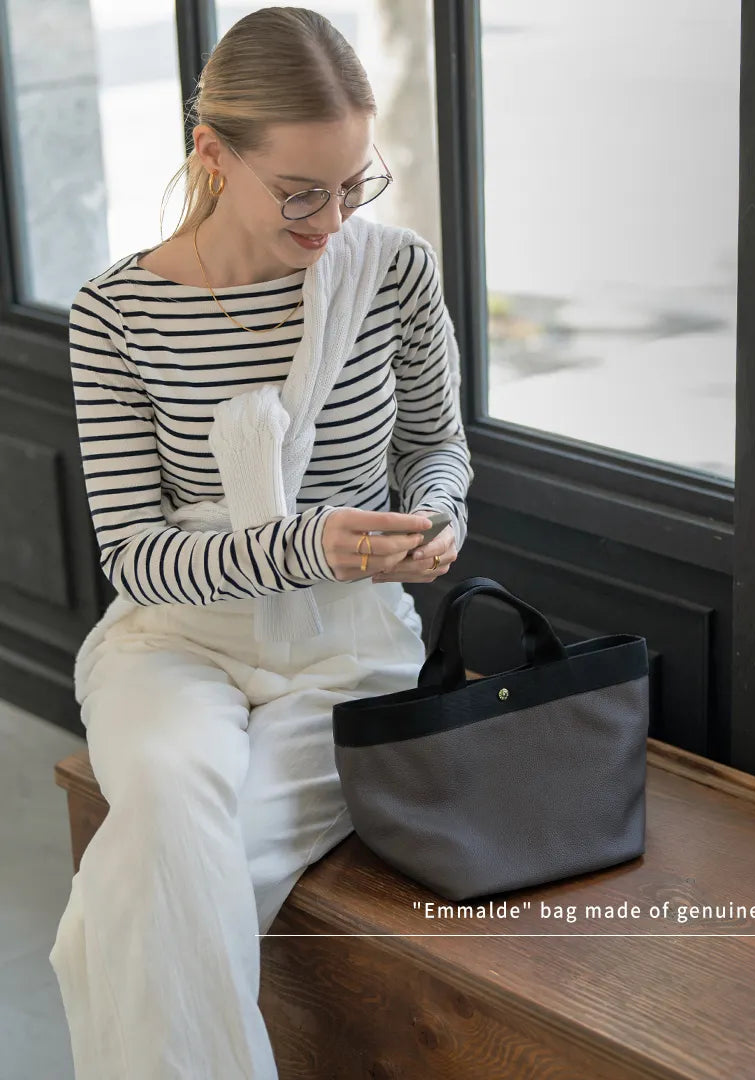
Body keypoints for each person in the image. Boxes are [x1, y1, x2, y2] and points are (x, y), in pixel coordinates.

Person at [48, 6, 474, 1078]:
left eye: (352, 186)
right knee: (176, 810)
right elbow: (134, 553)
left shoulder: (393, 271)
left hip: (349, 647)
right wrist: (305, 545)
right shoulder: (114, 314)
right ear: (212, 153)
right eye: (301, 192)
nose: (333, 219)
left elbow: (437, 448)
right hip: (174, 640)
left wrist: (439, 520)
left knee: (143, 900)